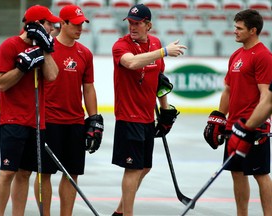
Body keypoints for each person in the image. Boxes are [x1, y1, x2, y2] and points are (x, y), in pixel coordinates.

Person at [111, 4, 187, 216]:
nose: (133, 27)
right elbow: (132, 63)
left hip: (146, 117)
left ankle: (119, 211)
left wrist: (165, 112)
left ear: (148, 25)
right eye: (130, 23)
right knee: (133, 169)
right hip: (128, 116)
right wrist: (163, 52)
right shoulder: (120, 45)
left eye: (137, 23)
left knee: (144, 167)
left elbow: (159, 81)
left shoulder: (154, 43)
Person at [33, 4, 104, 216]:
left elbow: (88, 87)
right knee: (43, 174)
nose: (80, 28)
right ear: (62, 23)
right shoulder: (46, 48)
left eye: (82, 24)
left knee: (72, 174)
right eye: (75, 24)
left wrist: (94, 119)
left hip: (75, 122)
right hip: (48, 120)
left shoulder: (85, 53)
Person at [0, 5, 60, 216]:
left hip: (36, 120)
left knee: (25, 173)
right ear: (37, 24)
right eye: (49, 23)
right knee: (7, 171)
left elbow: (52, 76)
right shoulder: (9, 45)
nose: (52, 27)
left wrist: (45, 49)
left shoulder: (43, 47)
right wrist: (22, 67)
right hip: (13, 120)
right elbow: (2, 83)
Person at [203, 9, 272, 216]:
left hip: (254, 127)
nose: (235, 31)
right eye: (235, 27)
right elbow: (228, 89)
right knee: (237, 172)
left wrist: (255, 124)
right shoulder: (236, 54)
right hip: (234, 126)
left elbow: (266, 95)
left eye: (239, 28)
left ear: (253, 30)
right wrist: (219, 116)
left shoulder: (263, 56)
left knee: (260, 174)